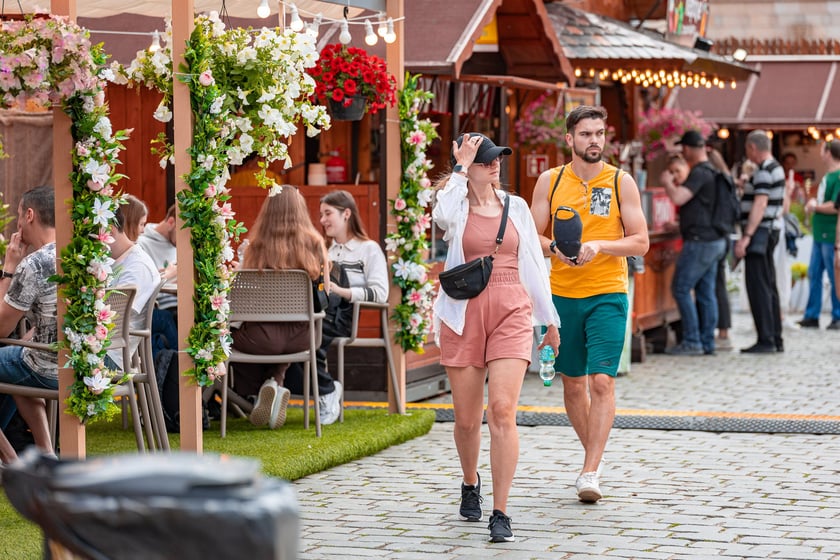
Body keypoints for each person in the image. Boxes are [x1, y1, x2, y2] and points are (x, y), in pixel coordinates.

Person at [434, 132, 560, 543]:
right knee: (468, 420)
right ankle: (470, 482)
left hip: (512, 308)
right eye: (484, 160)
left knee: (502, 411)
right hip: (465, 312)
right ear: (468, 167)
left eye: (496, 158)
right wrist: (459, 167)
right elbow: (442, 216)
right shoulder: (457, 204)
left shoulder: (517, 207)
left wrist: (549, 321)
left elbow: (534, 267)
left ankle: (501, 511)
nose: (494, 164)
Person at [530, 106, 648, 504]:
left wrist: (600, 246)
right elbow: (531, 239)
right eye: (585, 134)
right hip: (561, 296)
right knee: (573, 383)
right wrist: (556, 251)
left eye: (599, 133)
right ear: (569, 139)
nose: (594, 141)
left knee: (602, 380)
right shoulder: (550, 180)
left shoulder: (621, 181)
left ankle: (589, 470)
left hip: (608, 292)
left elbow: (640, 241)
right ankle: (592, 457)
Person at [233, 184, 330, 430]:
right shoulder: (316, 243)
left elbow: (244, 294)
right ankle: (274, 382)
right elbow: (326, 293)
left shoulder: (254, 247)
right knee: (284, 331)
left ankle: (254, 394)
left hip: (259, 339)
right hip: (303, 337)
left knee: (227, 338)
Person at [285, 190, 385, 426]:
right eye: (321, 215)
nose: (322, 220)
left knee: (310, 335)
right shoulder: (324, 251)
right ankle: (323, 388)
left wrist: (342, 292)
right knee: (294, 336)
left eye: (328, 213)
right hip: (318, 313)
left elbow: (380, 294)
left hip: (345, 317)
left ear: (346, 214)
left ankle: (327, 391)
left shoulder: (369, 249)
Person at [0, 186, 58, 463]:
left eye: (20, 215)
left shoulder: (33, 264)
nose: (19, 222)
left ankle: (12, 464)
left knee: (21, 359)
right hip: (96, 365)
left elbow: (1, 329)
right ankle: (46, 455)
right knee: (20, 359)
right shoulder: (88, 253)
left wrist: (9, 266)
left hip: (51, 368)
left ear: (31, 214)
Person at [660, 130, 728, 356]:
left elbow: (679, 198)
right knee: (706, 292)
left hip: (701, 242)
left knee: (680, 288)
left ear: (687, 149)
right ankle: (706, 342)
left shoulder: (699, 173)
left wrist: (667, 183)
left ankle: (692, 341)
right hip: (715, 239)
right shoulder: (713, 171)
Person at [734, 130, 785, 353]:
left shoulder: (764, 171)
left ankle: (766, 338)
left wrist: (747, 236)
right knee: (768, 285)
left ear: (753, 148)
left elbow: (760, 204)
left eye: (747, 149)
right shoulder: (777, 168)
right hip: (769, 231)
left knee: (759, 286)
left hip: (760, 234)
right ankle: (774, 337)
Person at [106, 195, 159, 371]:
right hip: (103, 348)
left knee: (20, 359)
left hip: (107, 355)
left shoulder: (137, 266)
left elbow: (109, 318)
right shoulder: (120, 260)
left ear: (110, 229)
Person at [799, 139, 840, 329]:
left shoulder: (838, 176)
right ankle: (812, 314)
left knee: (834, 275)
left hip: (830, 233)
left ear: (828, 153)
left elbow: (835, 206)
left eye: (823, 150)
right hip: (820, 232)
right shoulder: (829, 176)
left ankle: (837, 315)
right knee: (814, 274)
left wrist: (816, 206)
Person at [137, 203, 178, 318]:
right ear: (171, 222)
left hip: (181, 303)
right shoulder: (141, 244)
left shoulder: (176, 245)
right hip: (158, 307)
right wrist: (168, 274)